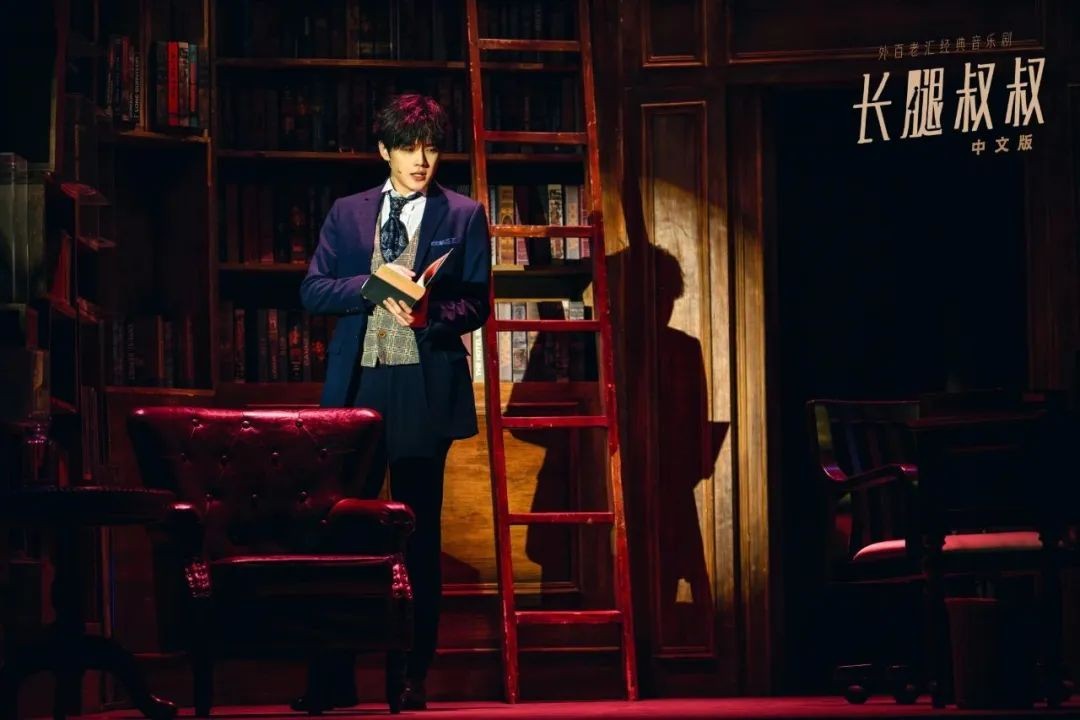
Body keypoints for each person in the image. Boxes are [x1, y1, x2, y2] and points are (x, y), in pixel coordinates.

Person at [295, 93, 490, 712]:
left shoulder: (464, 214)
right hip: (356, 387)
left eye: (430, 148)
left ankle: (409, 675)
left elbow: (477, 303)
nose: (421, 160)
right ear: (385, 150)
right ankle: (333, 678)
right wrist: (368, 287)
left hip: (422, 389)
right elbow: (313, 290)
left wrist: (432, 314)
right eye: (408, 148)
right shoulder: (348, 213)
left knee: (415, 537)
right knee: (339, 537)